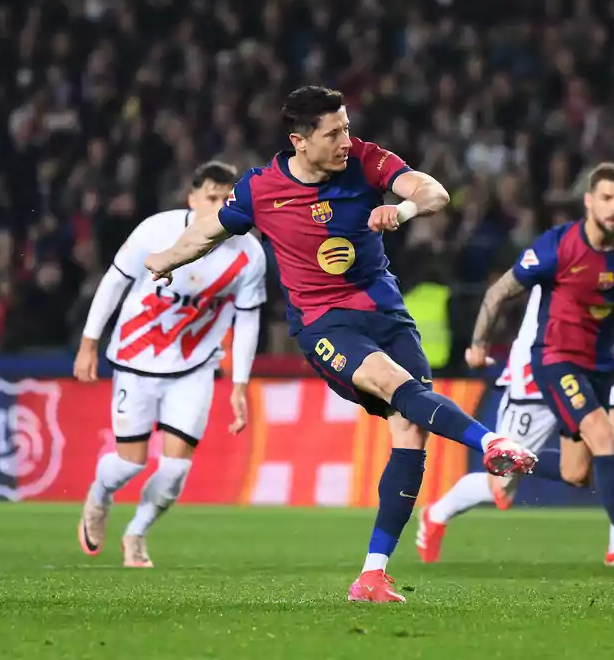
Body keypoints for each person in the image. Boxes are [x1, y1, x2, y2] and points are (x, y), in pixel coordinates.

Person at [143, 86, 537, 603]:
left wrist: (403, 212)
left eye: (347, 127)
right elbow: (206, 234)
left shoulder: (368, 162)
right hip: (325, 324)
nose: (346, 140)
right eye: (333, 133)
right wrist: (161, 261)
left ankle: (372, 574)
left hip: (388, 317)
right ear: (299, 142)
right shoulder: (261, 189)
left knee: (411, 429)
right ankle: (490, 443)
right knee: (393, 384)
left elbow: (434, 192)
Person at [464, 163, 614, 575]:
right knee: (606, 436)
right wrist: (478, 344)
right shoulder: (558, 246)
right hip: (556, 359)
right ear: (589, 201)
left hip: (601, 364)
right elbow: (500, 290)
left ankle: (518, 458)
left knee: (578, 472)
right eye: (607, 198)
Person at [73, 161, 267, 568]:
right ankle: (99, 496)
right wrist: (89, 342)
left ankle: (137, 533)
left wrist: (239, 384)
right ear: (192, 198)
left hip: (194, 367)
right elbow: (114, 281)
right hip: (136, 358)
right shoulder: (156, 230)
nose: (219, 206)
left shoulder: (248, 253)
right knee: (130, 464)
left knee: (176, 469)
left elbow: (248, 318)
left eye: (226, 199)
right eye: (211, 197)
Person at [416, 284, 614, 565]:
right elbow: (505, 292)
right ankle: (436, 513)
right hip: (535, 369)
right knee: (506, 480)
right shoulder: (565, 261)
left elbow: (603, 334)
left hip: (584, 367)